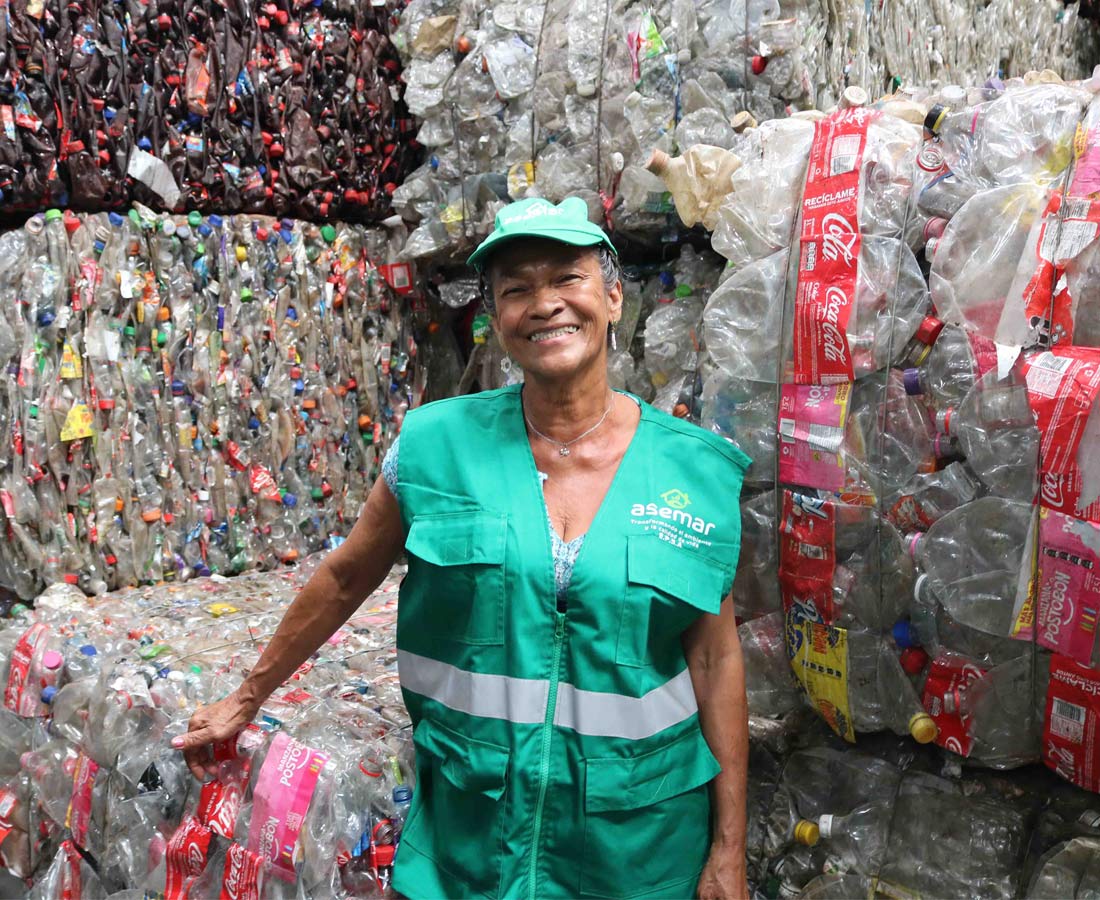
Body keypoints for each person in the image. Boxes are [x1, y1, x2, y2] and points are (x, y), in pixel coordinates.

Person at [173, 196, 752, 900]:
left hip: (638, 847)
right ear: (496, 321)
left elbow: (715, 657)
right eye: (515, 289)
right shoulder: (433, 446)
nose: (544, 304)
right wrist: (247, 694)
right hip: (471, 839)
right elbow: (347, 575)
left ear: (610, 294)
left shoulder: (695, 470)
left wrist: (729, 847)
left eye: (566, 278)